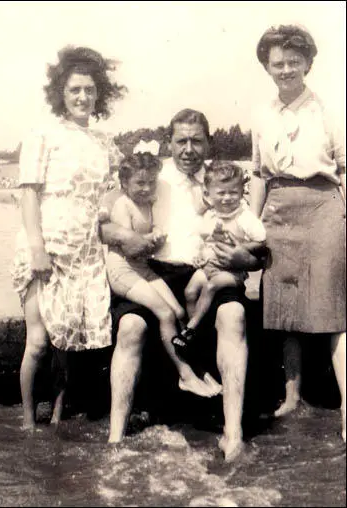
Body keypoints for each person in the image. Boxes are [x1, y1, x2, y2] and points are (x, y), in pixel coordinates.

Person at [100, 108, 266, 461]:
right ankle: (115, 440)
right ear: (169, 144)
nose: (189, 149)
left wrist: (244, 259)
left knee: (234, 314)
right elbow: (105, 217)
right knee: (130, 325)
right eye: (181, 141)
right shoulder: (151, 178)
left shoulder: (223, 182)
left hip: (206, 270)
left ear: (208, 142)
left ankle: (233, 434)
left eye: (196, 140)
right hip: (157, 272)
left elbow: (258, 247)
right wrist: (120, 234)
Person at [11, 45, 126, 430]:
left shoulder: (103, 142)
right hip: (47, 246)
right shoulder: (42, 135)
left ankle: (58, 420)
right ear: (61, 92)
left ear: (99, 95)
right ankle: (28, 423)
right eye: (75, 90)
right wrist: (36, 247)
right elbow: (28, 194)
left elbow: (116, 191)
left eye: (89, 91)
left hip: (87, 252)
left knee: (68, 348)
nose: (82, 98)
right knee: (40, 343)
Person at [249, 25, 346, 441]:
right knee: (286, 313)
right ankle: (292, 396)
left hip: (324, 208)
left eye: (293, 61)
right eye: (277, 63)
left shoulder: (329, 109)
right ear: (267, 68)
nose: (286, 69)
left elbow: (343, 168)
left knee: (334, 311)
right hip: (277, 213)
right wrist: (251, 227)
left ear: (308, 63)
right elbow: (256, 173)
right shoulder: (262, 114)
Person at [106, 147, 222, 397]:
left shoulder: (147, 202)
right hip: (122, 271)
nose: (146, 188)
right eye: (139, 183)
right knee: (165, 313)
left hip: (142, 268)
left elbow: (154, 229)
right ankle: (185, 375)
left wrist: (158, 234)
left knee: (180, 312)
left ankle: (198, 369)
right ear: (124, 183)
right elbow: (132, 245)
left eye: (150, 183)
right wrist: (151, 239)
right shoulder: (122, 206)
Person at [172, 159, 266, 354]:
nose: (227, 198)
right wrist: (199, 255)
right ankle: (198, 331)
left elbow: (262, 242)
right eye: (221, 193)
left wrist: (241, 247)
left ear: (242, 192)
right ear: (208, 195)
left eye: (233, 192)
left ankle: (190, 329)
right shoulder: (211, 215)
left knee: (211, 286)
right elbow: (204, 240)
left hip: (231, 273)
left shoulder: (245, 217)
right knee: (190, 291)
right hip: (209, 265)